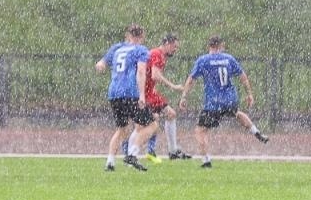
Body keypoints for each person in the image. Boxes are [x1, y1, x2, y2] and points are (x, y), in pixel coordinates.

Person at [177, 36, 269, 168]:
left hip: (214, 103)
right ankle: (256, 132)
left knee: (200, 130)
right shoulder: (229, 59)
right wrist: (249, 94)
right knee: (237, 113)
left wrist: (184, 97)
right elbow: (243, 77)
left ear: (209, 46)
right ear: (220, 46)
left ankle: (206, 160)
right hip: (230, 99)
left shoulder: (203, 60)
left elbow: (191, 80)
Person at [95, 25, 161, 171]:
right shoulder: (141, 50)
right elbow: (141, 72)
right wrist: (142, 95)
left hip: (114, 93)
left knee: (122, 129)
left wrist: (100, 65)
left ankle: (110, 163)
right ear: (142, 36)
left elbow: (100, 64)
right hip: (129, 93)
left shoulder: (117, 48)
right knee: (152, 124)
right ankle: (132, 155)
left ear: (128, 35)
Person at [138, 32, 190, 159]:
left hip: (149, 92)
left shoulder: (158, 54)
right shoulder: (157, 54)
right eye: (174, 47)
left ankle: (171, 151)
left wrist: (153, 88)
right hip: (144, 94)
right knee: (148, 123)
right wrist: (173, 86)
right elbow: (155, 75)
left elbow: (150, 74)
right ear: (167, 44)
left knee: (169, 114)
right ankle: (133, 150)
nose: (175, 50)